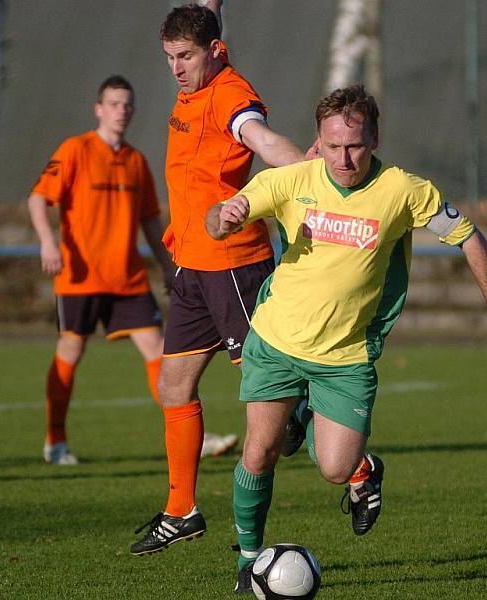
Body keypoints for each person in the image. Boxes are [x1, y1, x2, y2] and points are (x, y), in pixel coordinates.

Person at [205, 84, 487, 593]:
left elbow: (468, 235)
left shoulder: (403, 190)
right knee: (259, 453)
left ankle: (358, 466)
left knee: (336, 469)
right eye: (334, 145)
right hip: (276, 341)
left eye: (356, 145)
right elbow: (219, 218)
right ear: (318, 139)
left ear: (375, 138)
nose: (344, 158)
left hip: (346, 356)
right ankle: (247, 562)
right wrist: (224, 219)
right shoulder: (291, 180)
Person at [130, 1, 308, 556]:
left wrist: (307, 170)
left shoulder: (229, 94)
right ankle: (181, 508)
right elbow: (205, 12)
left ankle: (354, 468)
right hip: (191, 265)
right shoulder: (204, 55)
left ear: (212, 51)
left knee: (267, 390)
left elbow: (258, 137)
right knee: (173, 385)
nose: (176, 68)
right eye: (168, 57)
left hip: (233, 265)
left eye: (185, 56)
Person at [27, 75, 183, 465]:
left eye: (127, 104)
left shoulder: (136, 161)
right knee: (72, 349)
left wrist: (167, 267)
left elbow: (150, 222)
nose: (122, 111)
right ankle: (55, 440)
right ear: (99, 109)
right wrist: (48, 242)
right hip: (80, 278)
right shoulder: (75, 150)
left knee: (159, 350)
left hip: (127, 278)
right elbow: (37, 199)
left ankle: (182, 434)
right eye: (114, 104)